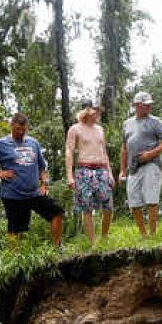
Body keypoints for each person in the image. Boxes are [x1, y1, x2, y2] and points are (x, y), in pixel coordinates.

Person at [0, 112, 64, 246]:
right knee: (15, 229)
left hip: (34, 193)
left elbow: (43, 166)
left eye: (23, 130)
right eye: (17, 130)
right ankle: (14, 260)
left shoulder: (33, 143)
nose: (20, 133)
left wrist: (44, 183)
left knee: (57, 212)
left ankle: (57, 248)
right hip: (12, 194)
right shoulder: (0, 144)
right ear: (11, 126)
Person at [119, 91, 162, 236]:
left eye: (150, 105)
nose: (149, 108)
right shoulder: (127, 124)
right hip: (133, 168)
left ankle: (153, 234)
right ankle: (144, 235)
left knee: (151, 200)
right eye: (146, 105)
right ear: (136, 105)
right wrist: (122, 171)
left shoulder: (155, 121)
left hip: (152, 164)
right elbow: (124, 148)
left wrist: (150, 154)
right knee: (134, 202)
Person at [65, 99, 114, 245]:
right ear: (87, 111)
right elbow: (69, 152)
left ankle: (103, 238)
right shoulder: (75, 129)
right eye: (95, 110)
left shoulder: (100, 129)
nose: (98, 113)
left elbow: (104, 153)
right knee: (87, 208)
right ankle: (93, 243)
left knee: (108, 205)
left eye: (99, 110)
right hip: (83, 170)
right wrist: (69, 176)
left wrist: (110, 173)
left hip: (101, 169)